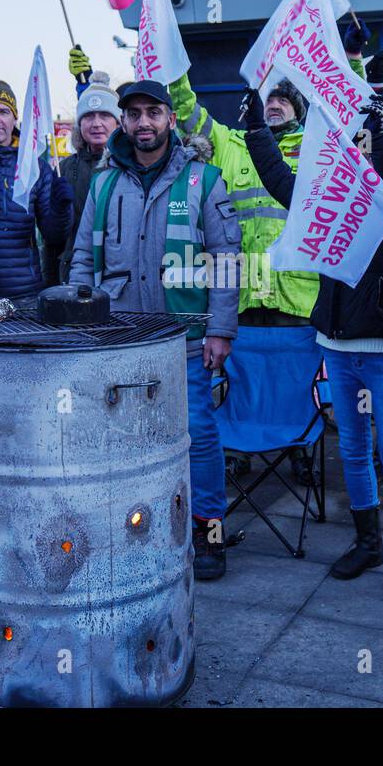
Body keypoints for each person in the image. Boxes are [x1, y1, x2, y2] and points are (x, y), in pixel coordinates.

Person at [243, 73, 383, 605]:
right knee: (351, 447)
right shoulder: (325, 187)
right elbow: (283, 183)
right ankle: (369, 542)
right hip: (336, 339)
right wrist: (258, 128)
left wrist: (377, 117)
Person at [69, 80, 240, 580]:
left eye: (154, 113)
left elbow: (227, 261)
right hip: (119, 338)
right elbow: (83, 257)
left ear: (170, 119)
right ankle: (133, 529)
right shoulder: (102, 185)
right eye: (135, 114)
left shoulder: (203, 180)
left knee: (200, 435)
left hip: (185, 337)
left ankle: (209, 535)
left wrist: (221, 330)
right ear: (123, 122)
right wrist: (81, 324)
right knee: (125, 439)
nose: (144, 122)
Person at [167, 26, 341, 487]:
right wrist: (171, 65)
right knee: (242, 376)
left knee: (299, 380)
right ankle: (239, 451)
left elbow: (349, 116)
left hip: (300, 295)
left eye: (285, 96)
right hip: (246, 292)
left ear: (299, 106)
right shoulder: (233, 143)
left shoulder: (319, 148)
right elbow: (187, 115)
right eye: (269, 96)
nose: (275, 102)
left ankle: (302, 445)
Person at [0, 79, 72, 300]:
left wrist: (61, 208)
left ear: (14, 118)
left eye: (3, 111)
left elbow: (54, 235)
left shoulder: (33, 167)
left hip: (23, 294)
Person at [55, 69, 120, 283]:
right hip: (73, 275)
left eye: (105, 115)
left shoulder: (129, 168)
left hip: (116, 276)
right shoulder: (63, 169)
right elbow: (51, 240)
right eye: (89, 116)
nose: (96, 123)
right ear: (79, 124)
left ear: (118, 123)